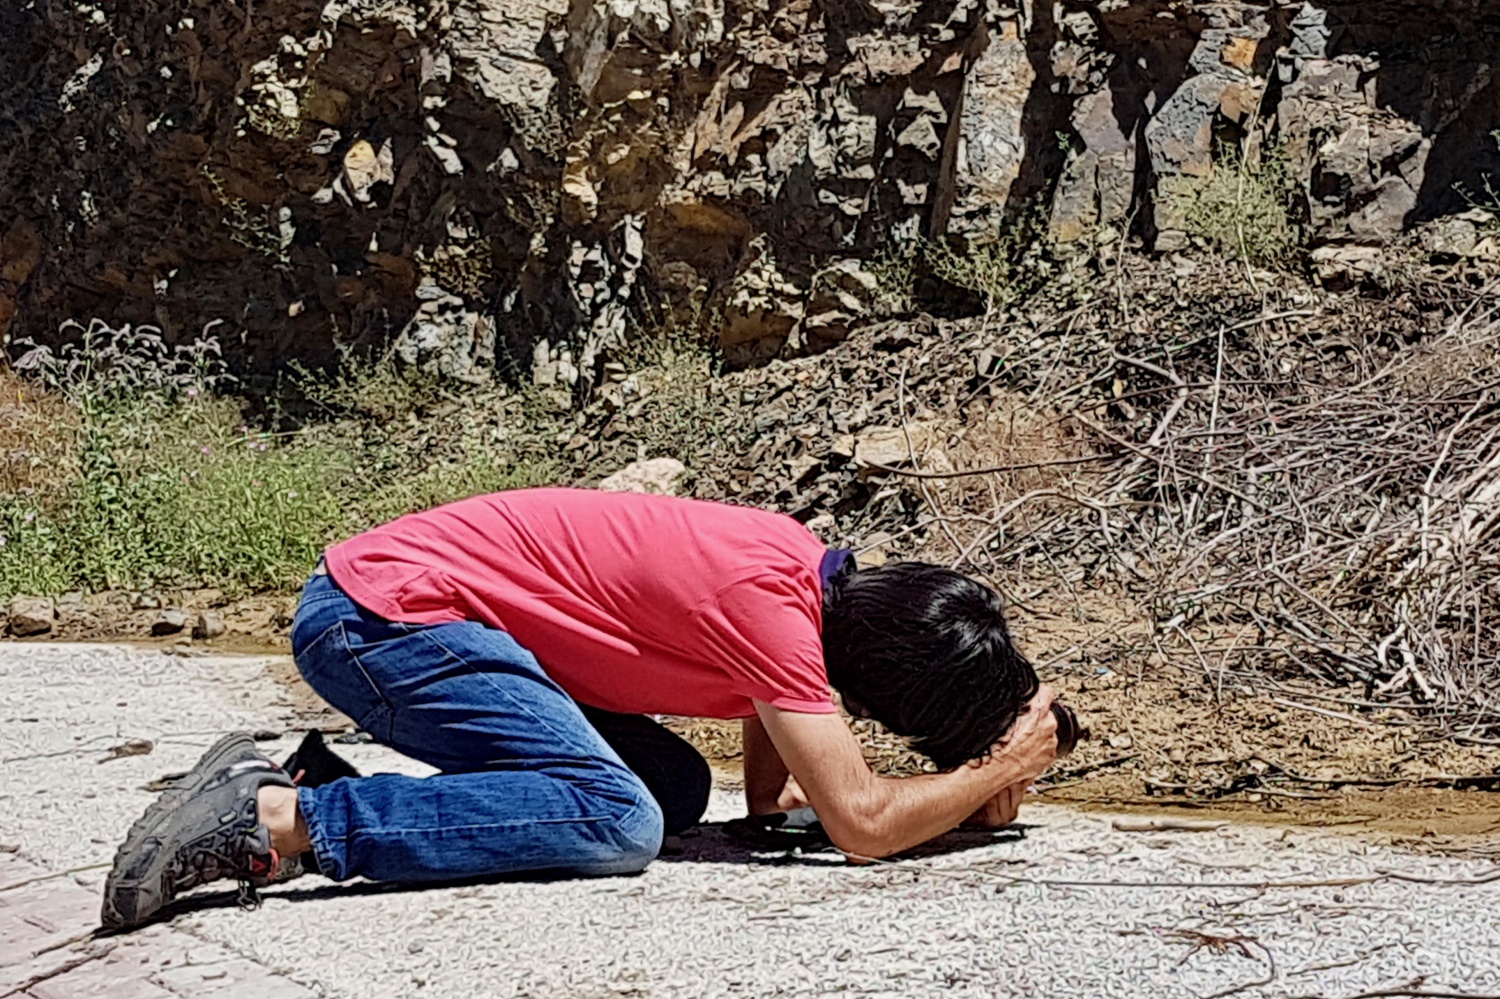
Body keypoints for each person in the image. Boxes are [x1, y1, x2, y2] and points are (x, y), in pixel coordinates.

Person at [101, 488, 1059, 930]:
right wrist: (995, 767)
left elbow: (782, 755)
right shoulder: (778, 618)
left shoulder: (797, 572)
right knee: (618, 818)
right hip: (383, 620)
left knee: (675, 783)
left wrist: (772, 811)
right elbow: (860, 823)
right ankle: (279, 815)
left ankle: (317, 778)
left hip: (399, 608)